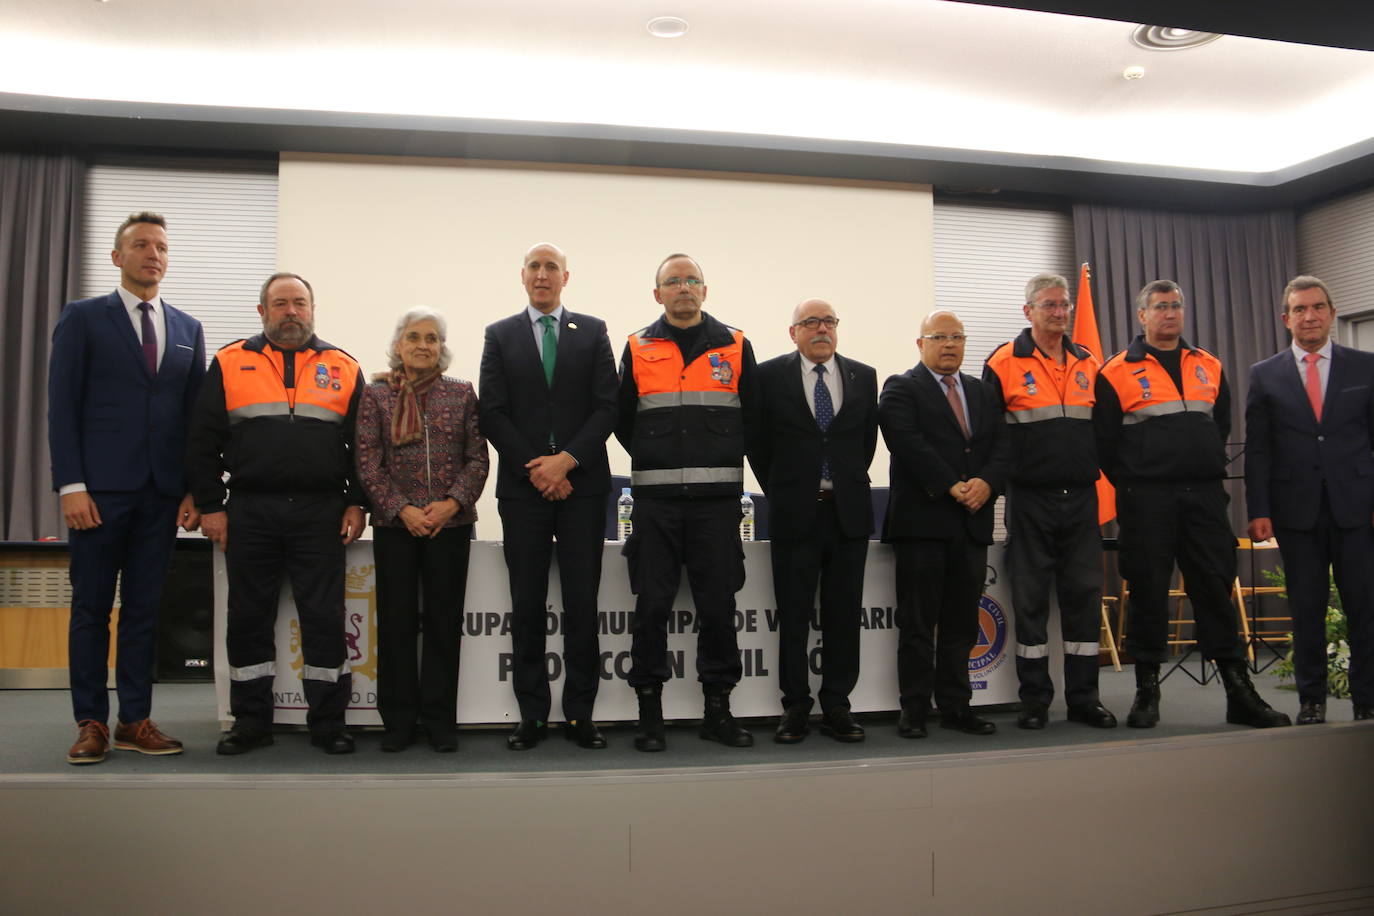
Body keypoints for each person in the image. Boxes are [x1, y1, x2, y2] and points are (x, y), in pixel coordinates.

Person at [187, 272, 368, 755]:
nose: (291, 312)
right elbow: (202, 441)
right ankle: (250, 722)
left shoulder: (344, 366)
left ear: (313, 309)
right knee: (248, 617)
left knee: (325, 619)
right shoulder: (228, 361)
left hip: (321, 512)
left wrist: (358, 500)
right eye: (281, 303)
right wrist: (209, 505)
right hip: (250, 509)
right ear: (262, 311)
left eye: (300, 303)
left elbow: (362, 447)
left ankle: (328, 723)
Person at [48, 211, 206, 765]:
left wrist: (192, 490)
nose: (153, 254)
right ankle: (90, 721)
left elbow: (193, 419)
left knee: (144, 610)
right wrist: (70, 484)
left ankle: (134, 720)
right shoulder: (84, 318)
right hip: (98, 493)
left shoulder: (187, 328)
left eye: (161, 246)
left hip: (161, 495)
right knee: (92, 609)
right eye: (140, 245)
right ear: (118, 257)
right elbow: (61, 406)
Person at [1095, 279, 1288, 729]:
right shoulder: (1115, 371)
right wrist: (1138, 479)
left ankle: (1240, 693)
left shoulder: (1209, 365)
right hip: (1145, 501)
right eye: (1161, 307)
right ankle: (1147, 693)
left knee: (1215, 592)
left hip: (1203, 498)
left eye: (1177, 306)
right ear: (1141, 316)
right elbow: (1103, 444)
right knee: (1147, 594)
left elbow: (1218, 427)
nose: (1170, 314)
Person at [479, 243, 618, 750]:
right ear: (522, 276)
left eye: (551, 267)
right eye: (535, 267)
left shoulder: (594, 331)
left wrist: (567, 461)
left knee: (583, 604)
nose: (543, 274)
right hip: (523, 490)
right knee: (528, 605)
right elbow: (492, 411)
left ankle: (580, 714)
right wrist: (537, 467)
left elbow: (608, 407)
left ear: (566, 277)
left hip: (582, 487)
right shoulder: (499, 335)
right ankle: (533, 715)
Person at [617, 252, 757, 752]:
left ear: (705, 290)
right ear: (658, 294)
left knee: (718, 606)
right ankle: (649, 713)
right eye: (673, 281)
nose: (683, 287)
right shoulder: (636, 346)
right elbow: (620, 417)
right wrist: (658, 456)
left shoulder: (736, 346)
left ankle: (717, 710)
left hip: (718, 506)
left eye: (692, 280)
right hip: (655, 505)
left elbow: (754, 422)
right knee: (651, 606)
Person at [983, 274, 1116, 730]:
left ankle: (1084, 699)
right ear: (1028, 312)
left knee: (1084, 599)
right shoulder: (1002, 362)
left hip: (1081, 500)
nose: (1060, 313)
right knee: (1031, 604)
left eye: (1064, 306)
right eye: (1049, 305)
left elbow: (1105, 432)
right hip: (1031, 501)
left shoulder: (1088, 362)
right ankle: (1035, 701)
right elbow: (991, 437)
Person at [357, 308, 489, 752]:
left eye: (432, 338)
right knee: (394, 625)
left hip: (449, 526)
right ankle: (397, 721)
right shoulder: (375, 396)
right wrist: (402, 509)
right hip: (397, 526)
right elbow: (367, 463)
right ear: (398, 345)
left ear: (441, 348)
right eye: (413, 337)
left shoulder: (462, 394)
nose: (422, 345)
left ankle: (438, 721)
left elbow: (478, 459)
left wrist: (451, 503)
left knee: (442, 625)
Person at [747, 298, 878, 743]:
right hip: (794, 516)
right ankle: (796, 707)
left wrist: (837, 484)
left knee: (844, 615)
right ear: (794, 332)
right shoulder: (767, 377)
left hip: (848, 516)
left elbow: (864, 446)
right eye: (811, 322)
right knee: (795, 616)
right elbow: (758, 446)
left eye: (828, 321)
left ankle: (838, 704)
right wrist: (787, 490)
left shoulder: (864, 376)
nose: (821, 329)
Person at [1245, 275, 1374, 723]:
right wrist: (1258, 510)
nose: (1310, 316)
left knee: (1365, 606)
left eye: (1318, 307)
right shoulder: (1265, 374)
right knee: (1306, 609)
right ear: (1286, 319)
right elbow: (1258, 449)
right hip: (1296, 512)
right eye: (1300, 309)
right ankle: (1312, 699)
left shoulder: (1365, 367)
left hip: (1357, 508)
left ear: (1332, 314)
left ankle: (1367, 699)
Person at [879, 309, 1010, 739]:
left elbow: (1003, 446)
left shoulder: (984, 391)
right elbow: (907, 443)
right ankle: (914, 710)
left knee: (961, 624)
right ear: (921, 344)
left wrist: (987, 483)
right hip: (923, 523)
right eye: (940, 337)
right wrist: (954, 485)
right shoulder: (901, 388)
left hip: (972, 523)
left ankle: (957, 705)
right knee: (918, 624)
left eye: (957, 337)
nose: (950, 344)